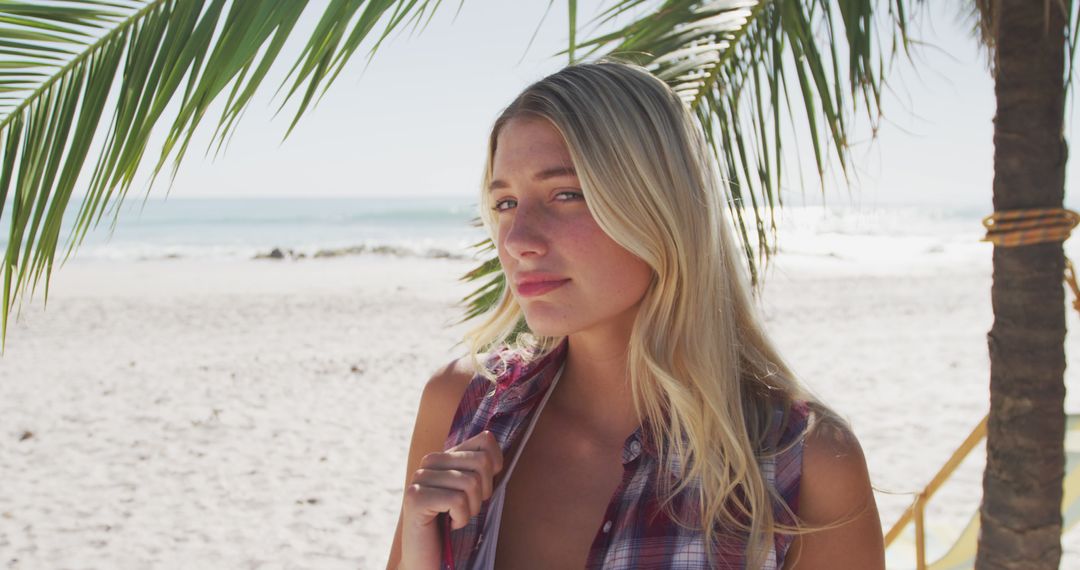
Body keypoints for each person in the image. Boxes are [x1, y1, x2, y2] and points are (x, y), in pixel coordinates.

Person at [385, 60, 883, 569]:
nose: (517, 241)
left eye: (566, 194)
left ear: (657, 205)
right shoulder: (462, 410)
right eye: (507, 202)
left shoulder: (801, 463)